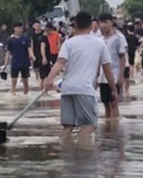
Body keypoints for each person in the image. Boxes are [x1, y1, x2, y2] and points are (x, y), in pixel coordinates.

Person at [43, 12, 117, 144]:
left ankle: (66, 153)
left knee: (68, 126)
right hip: (85, 89)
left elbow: (60, 62)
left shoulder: (69, 43)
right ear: (91, 25)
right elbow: (107, 69)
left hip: (67, 89)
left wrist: (49, 79)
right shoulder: (100, 44)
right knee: (90, 125)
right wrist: (114, 89)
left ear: (75, 25)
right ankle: (80, 152)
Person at [98, 13, 126, 119]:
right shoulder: (99, 40)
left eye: (106, 22)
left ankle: (115, 128)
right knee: (105, 103)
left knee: (114, 103)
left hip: (114, 75)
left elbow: (122, 57)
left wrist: (121, 76)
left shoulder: (117, 39)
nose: (103, 25)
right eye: (101, 22)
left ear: (111, 23)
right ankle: (108, 127)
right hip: (102, 77)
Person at [3, 23, 34, 95]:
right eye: (18, 28)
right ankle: (13, 94)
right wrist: (5, 64)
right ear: (14, 29)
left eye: (21, 28)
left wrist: (32, 56)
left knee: (25, 82)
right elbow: (8, 52)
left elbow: (29, 48)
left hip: (24, 63)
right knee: (14, 81)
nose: (20, 29)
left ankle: (26, 95)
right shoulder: (10, 40)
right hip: (15, 63)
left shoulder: (26, 39)